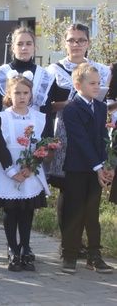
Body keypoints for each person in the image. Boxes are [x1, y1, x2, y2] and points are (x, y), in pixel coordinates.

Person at [45, 23, 111, 258]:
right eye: (71, 40)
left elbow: (109, 102)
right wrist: (74, 102)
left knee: (89, 192)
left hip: (92, 132)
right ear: (65, 43)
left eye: (81, 40)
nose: (76, 44)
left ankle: (86, 245)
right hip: (64, 133)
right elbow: (47, 105)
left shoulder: (100, 70)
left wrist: (98, 103)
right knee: (68, 189)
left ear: (88, 42)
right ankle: (68, 244)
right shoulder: (54, 70)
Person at [0, 73, 50, 272]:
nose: (22, 96)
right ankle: (12, 248)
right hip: (9, 169)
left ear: (31, 94)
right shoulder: (2, 117)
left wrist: (31, 166)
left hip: (30, 171)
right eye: (17, 92)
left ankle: (25, 247)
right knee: (11, 211)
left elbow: (43, 145)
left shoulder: (39, 118)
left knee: (26, 211)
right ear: (9, 93)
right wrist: (11, 171)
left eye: (26, 92)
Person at [61, 63, 114, 273]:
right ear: (78, 84)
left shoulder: (100, 108)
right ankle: (70, 254)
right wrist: (98, 166)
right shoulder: (71, 109)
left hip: (97, 169)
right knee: (74, 211)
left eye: (98, 83)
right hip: (77, 168)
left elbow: (102, 139)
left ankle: (94, 255)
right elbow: (80, 140)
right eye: (92, 83)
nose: (97, 87)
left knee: (92, 213)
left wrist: (106, 164)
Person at [0, 26, 54, 112]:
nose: (24, 48)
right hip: (7, 124)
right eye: (20, 44)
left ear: (34, 47)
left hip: (36, 124)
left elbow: (46, 111)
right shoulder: (2, 73)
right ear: (13, 48)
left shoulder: (43, 75)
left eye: (28, 43)